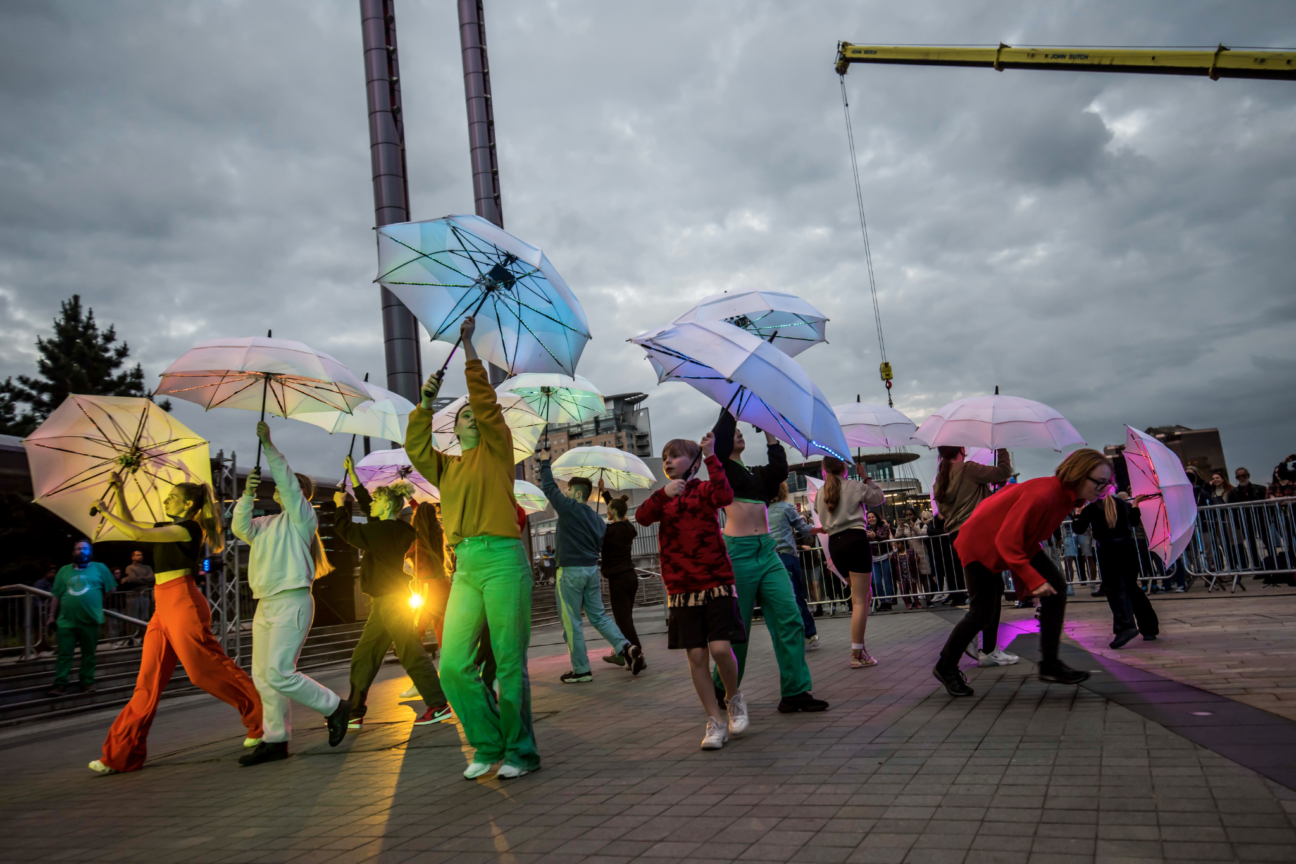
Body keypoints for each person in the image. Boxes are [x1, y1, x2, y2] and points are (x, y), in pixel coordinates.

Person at [406, 316, 538, 781]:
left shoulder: (497, 449)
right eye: (460, 415)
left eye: (473, 414)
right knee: (454, 665)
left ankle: (520, 751)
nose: (470, 417)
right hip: (465, 565)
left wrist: (468, 352)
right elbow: (415, 446)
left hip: (504, 559)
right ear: (452, 428)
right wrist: (424, 403)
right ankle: (486, 743)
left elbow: (486, 404)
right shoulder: (446, 468)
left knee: (507, 660)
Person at [90, 475, 263, 774]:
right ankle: (121, 755)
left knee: (203, 670)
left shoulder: (188, 528)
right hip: (162, 607)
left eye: (172, 496)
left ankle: (263, 721)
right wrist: (118, 492)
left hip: (184, 602)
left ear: (188, 503)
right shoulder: (166, 529)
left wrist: (106, 512)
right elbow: (137, 530)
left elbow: (133, 532)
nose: (166, 500)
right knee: (147, 683)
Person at [932, 449, 1116, 697]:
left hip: (1012, 543)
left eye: (1107, 483)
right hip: (980, 545)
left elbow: (1025, 535)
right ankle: (945, 666)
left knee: (1056, 587)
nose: (1103, 488)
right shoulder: (1046, 494)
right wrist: (1031, 580)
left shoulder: (1066, 497)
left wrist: (1031, 581)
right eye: (1099, 482)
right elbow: (1008, 541)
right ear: (1079, 475)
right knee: (981, 614)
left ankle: (1050, 663)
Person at [233, 422, 350, 766]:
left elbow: (286, 479)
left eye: (294, 486)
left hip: (292, 601)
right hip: (266, 605)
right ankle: (275, 740)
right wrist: (246, 494)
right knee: (263, 676)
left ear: (301, 494)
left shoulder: (303, 518)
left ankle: (334, 707)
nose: (286, 488)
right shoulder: (265, 525)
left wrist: (268, 445)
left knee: (280, 672)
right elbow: (239, 527)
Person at [709, 410, 827, 715]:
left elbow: (779, 468)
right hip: (738, 554)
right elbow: (721, 439)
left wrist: (770, 432)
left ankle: (796, 691)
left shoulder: (756, 475)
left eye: (742, 432)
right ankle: (721, 688)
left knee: (790, 618)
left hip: (768, 553)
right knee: (739, 629)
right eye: (735, 433)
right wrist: (732, 410)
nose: (739, 435)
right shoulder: (722, 468)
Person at [635, 433, 746, 749]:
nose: (667, 460)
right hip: (681, 587)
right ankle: (715, 721)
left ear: (692, 462)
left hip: (716, 581)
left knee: (721, 649)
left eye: (674, 455)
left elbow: (725, 495)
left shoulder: (704, 488)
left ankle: (733, 697)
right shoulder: (664, 495)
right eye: (665, 456)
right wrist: (662, 494)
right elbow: (641, 517)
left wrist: (711, 455)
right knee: (696, 655)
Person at [333, 469, 449, 731]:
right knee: (365, 656)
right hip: (386, 603)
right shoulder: (393, 528)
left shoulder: (384, 531)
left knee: (409, 651)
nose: (370, 505)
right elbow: (369, 508)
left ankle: (438, 704)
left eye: (376, 501)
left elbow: (347, 531)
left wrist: (340, 506)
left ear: (386, 505)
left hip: (392, 601)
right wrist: (354, 480)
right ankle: (354, 711)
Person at [537, 453, 641, 681]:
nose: (564, 493)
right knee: (599, 616)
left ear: (576, 493)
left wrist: (544, 461)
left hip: (571, 572)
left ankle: (581, 670)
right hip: (591, 571)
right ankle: (626, 647)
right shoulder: (597, 521)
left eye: (567, 490)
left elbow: (548, 487)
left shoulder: (568, 508)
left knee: (571, 621)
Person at [932, 446, 1016, 666]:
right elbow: (1003, 472)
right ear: (962, 449)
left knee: (990, 590)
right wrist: (1002, 448)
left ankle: (987, 647)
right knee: (988, 595)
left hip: (959, 536)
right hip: (979, 533)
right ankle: (978, 646)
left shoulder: (940, 480)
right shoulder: (968, 469)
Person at [816, 456, 885, 667]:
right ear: (844, 468)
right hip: (855, 540)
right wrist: (866, 477)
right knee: (859, 600)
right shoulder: (855, 486)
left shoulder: (820, 493)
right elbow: (878, 498)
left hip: (835, 545)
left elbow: (822, 518)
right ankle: (856, 653)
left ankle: (861, 648)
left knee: (862, 595)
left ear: (824, 470)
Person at [1072, 492, 1159, 648]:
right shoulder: (1123, 505)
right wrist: (1135, 504)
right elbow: (1134, 521)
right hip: (1127, 547)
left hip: (1107, 550)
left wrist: (1078, 513)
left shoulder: (1091, 509)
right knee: (1132, 587)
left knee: (1114, 589)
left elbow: (1078, 529)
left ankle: (1125, 627)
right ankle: (1149, 629)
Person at [46, 539, 115, 697]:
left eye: (85, 549)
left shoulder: (100, 568)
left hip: (90, 620)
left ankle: (86, 681)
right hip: (66, 621)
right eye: (78, 548)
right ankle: (60, 683)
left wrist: (97, 600)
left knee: (89, 654)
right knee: (64, 654)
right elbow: (56, 595)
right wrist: (51, 616)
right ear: (73, 551)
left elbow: (112, 589)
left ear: (90, 552)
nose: (81, 551)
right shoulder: (64, 571)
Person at [768, 482, 819, 650]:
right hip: (787, 556)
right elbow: (804, 529)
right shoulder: (786, 508)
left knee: (777, 600)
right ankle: (810, 634)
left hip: (769, 559)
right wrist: (821, 529)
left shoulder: (762, 510)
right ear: (783, 491)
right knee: (796, 596)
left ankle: (787, 636)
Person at [600, 493, 644, 666]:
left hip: (617, 579)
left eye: (607, 509)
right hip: (630, 577)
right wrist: (606, 495)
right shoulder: (628, 529)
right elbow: (619, 511)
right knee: (626, 618)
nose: (606, 512)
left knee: (623, 620)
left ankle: (636, 654)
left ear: (611, 511)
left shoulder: (608, 532)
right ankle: (621, 652)